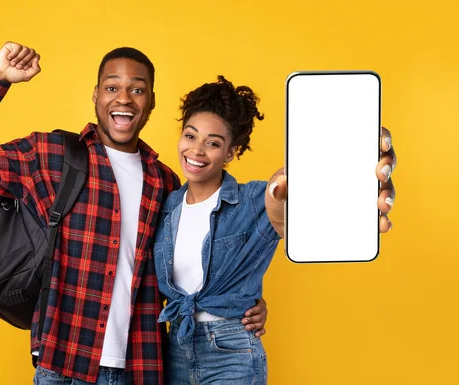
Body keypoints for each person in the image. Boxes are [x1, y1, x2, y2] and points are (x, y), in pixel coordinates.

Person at [0, 42, 268, 385]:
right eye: (112, 87)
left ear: (151, 101)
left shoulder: (166, 182)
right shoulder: (52, 155)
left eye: (137, 89)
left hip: (141, 367)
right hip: (65, 364)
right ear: (96, 95)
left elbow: (197, 261)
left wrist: (246, 305)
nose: (123, 98)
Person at [153, 76, 396, 385]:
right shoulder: (165, 205)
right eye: (190, 135)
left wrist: (352, 162)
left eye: (213, 142)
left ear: (230, 153)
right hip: (174, 348)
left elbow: (296, 201)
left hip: (231, 353)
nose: (197, 150)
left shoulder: (254, 200)